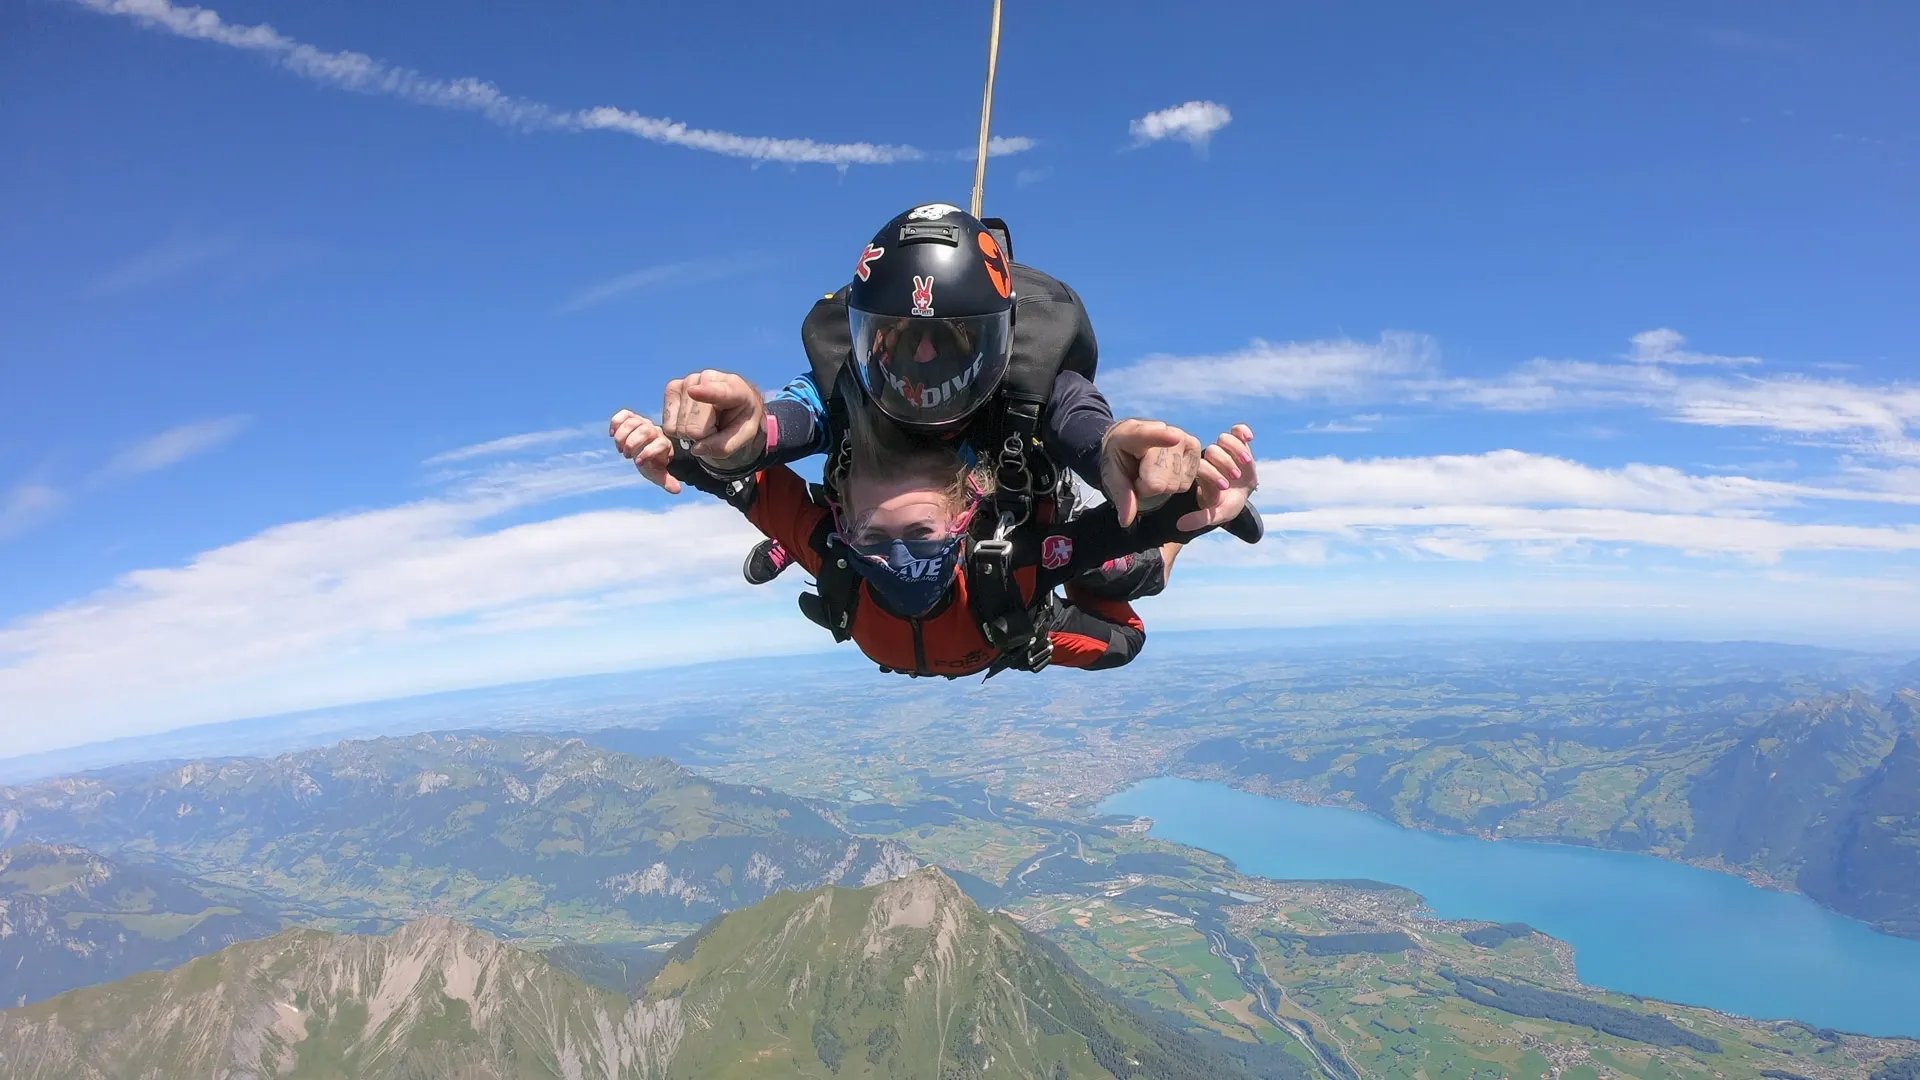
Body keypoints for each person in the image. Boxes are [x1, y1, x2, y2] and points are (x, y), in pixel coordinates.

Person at [615, 203, 1260, 590]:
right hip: (881, 520)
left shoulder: (1034, 386)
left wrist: (1131, 471)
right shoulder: (851, 380)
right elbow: (791, 418)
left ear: (1002, 341)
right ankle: (815, 534)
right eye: (896, 337)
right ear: (867, 335)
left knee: (1132, 577)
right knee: (859, 538)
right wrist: (743, 439)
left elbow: (1083, 425)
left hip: (1006, 516)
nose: (922, 363)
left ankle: (1185, 535)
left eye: (953, 338)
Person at [627, 399, 1260, 678]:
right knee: (814, 534)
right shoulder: (844, 555)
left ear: (964, 519)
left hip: (1005, 604)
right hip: (987, 626)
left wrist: (1200, 507)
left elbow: (1113, 533)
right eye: (878, 536)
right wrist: (675, 451)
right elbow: (741, 481)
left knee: (1124, 580)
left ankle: (799, 535)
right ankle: (800, 534)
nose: (898, 558)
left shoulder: (1006, 565)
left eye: (921, 533)